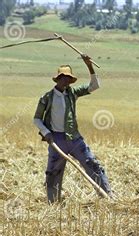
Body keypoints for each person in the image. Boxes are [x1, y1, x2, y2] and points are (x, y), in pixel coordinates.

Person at [33, 55, 111, 203]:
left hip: (74, 138)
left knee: (92, 164)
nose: (65, 80)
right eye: (62, 77)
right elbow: (36, 119)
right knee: (53, 172)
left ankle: (108, 197)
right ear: (57, 79)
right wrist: (46, 133)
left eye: (68, 78)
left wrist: (89, 66)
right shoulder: (47, 97)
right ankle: (53, 203)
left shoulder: (73, 93)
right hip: (56, 140)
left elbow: (94, 86)